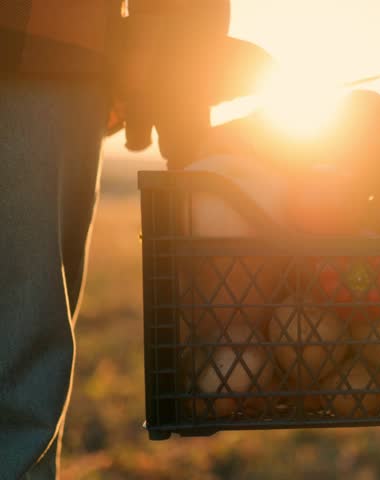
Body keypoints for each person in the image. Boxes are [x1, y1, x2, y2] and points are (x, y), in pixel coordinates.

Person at [0, 1, 273, 477]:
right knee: (14, 378)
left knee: (16, 371)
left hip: (43, 47)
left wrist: (175, 54)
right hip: (42, 50)